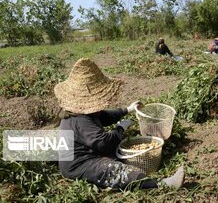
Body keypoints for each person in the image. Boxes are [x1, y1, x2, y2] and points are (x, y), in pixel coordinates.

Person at [55, 58, 184, 190]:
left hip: (90, 153)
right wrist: (120, 129)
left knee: (119, 156)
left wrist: (127, 110)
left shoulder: (83, 112)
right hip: (79, 165)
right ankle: (162, 185)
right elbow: (104, 143)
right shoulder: (79, 119)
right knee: (116, 171)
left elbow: (104, 116)